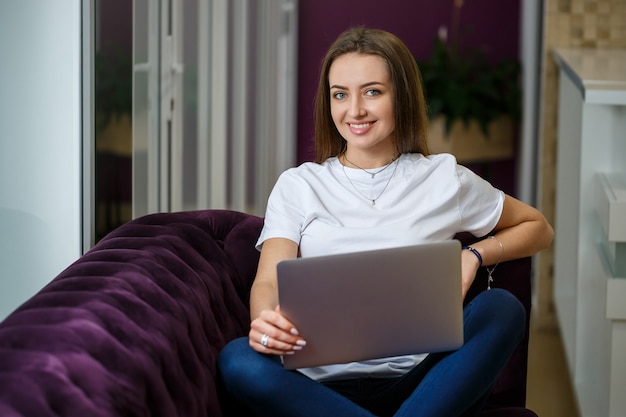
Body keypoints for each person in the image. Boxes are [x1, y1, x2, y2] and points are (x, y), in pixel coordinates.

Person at [218, 27, 553, 417]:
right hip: (314, 387)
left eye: (372, 91)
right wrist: (264, 320)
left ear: (402, 97)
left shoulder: (444, 178)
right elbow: (269, 280)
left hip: (423, 380)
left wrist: (473, 255)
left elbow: (538, 227)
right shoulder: (299, 184)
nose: (355, 110)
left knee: (501, 308)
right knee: (238, 359)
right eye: (340, 94)